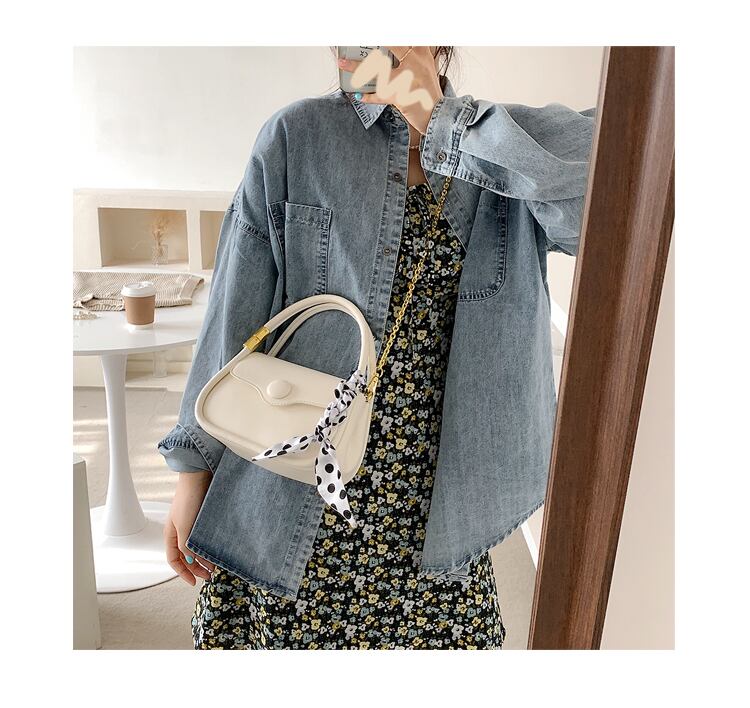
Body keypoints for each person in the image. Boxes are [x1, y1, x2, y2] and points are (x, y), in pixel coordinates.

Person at [157, 46, 595, 649]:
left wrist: (440, 119)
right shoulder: (297, 136)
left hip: (437, 508)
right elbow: (235, 312)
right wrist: (193, 468)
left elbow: (609, 200)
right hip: (298, 486)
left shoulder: (505, 147)